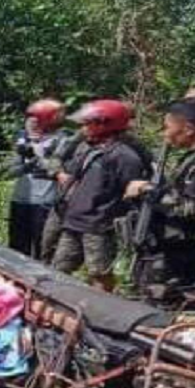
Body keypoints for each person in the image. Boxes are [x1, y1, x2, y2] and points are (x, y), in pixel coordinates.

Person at [125, 96, 195, 301]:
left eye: (167, 127)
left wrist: (147, 190)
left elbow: (190, 208)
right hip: (174, 253)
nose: (165, 134)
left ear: (189, 129)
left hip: (188, 260)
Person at [51, 99, 148, 292]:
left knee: (99, 273)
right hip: (74, 220)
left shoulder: (125, 157)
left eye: (88, 123)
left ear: (106, 124)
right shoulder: (90, 149)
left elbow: (131, 193)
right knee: (59, 269)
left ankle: (104, 314)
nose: (83, 128)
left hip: (98, 225)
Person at [6, 99, 74, 259]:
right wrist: (24, 160)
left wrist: (37, 156)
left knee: (42, 249)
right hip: (21, 198)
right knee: (16, 249)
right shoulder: (24, 140)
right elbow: (10, 170)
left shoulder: (63, 140)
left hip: (45, 201)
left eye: (37, 119)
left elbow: (61, 170)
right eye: (29, 119)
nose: (32, 123)